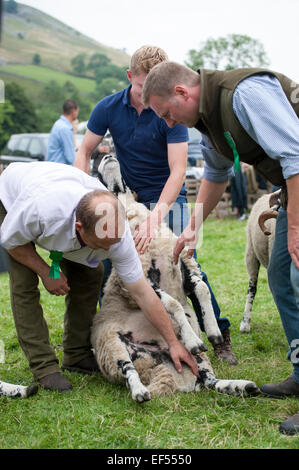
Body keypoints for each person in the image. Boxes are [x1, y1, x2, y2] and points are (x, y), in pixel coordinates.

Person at [142, 61, 299, 435]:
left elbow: (295, 154)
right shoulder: (208, 122)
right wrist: (192, 227)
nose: (168, 123)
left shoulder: (244, 93)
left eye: (166, 113)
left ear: (182, 93)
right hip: (294, 189)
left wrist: (294, 226)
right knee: (280, 275)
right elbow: (216, 174)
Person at [74, 45, 237, 365]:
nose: (149, 96)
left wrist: (156, 215)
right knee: (109, 266)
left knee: (183, 263)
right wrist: (85, 191)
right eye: (141, 87)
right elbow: (84, 151)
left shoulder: (169, 110)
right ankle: (111, 334)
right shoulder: (107, 107)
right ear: (129, 76)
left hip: (167, 196)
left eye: (155, 88)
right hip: (124, 201)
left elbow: (178, 170)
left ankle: (218, 333)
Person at [0, 161, 198, 393]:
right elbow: (12, 243)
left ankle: (76, 354)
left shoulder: (116, 232)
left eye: (112, 245)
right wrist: (46, 271)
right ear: (79, 227)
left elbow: (143, 293)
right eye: (101, 246)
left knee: (92, 273)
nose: (108, 251)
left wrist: (173, 343)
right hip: (12, 197)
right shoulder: (42, 212)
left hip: (62, 206)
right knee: (24, 283)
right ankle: (45, 367)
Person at [46, 100, 79, 165]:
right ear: (73, 111)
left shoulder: (58, 124)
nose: (77, 114)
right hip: (59, 169)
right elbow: (70, 157)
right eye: (77, 111)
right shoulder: (65, 128)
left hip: (52, 166)